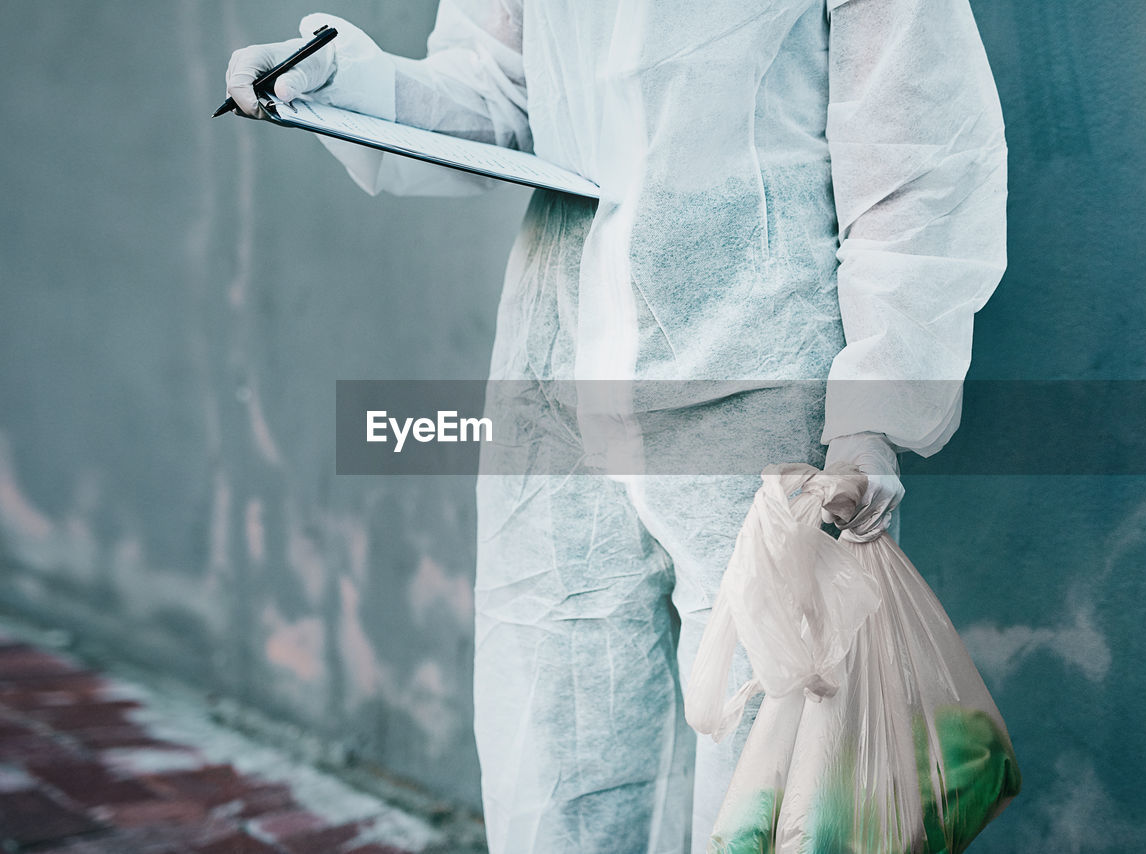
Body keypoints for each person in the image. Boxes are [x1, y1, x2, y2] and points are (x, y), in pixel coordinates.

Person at [226, 2, 1006, 852]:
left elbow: (917, 159)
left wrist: (871, 417)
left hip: (763, 383)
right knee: (555, 743)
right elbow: (490, 94)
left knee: (773, 768)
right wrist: (335, 83)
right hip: (559, 373)